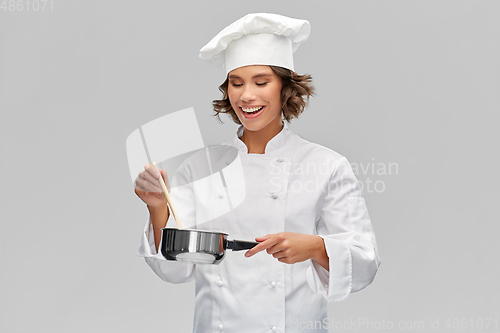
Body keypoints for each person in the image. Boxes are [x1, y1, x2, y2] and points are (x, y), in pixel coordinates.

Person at [134, 13, 381, 333]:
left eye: (261, 82)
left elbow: (364, 264)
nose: (246, 95)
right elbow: (175, 271)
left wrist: (314, 247)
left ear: (285, 88)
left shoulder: (325, 166)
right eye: (236, 84)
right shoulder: (202, 167)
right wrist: (158, 208)